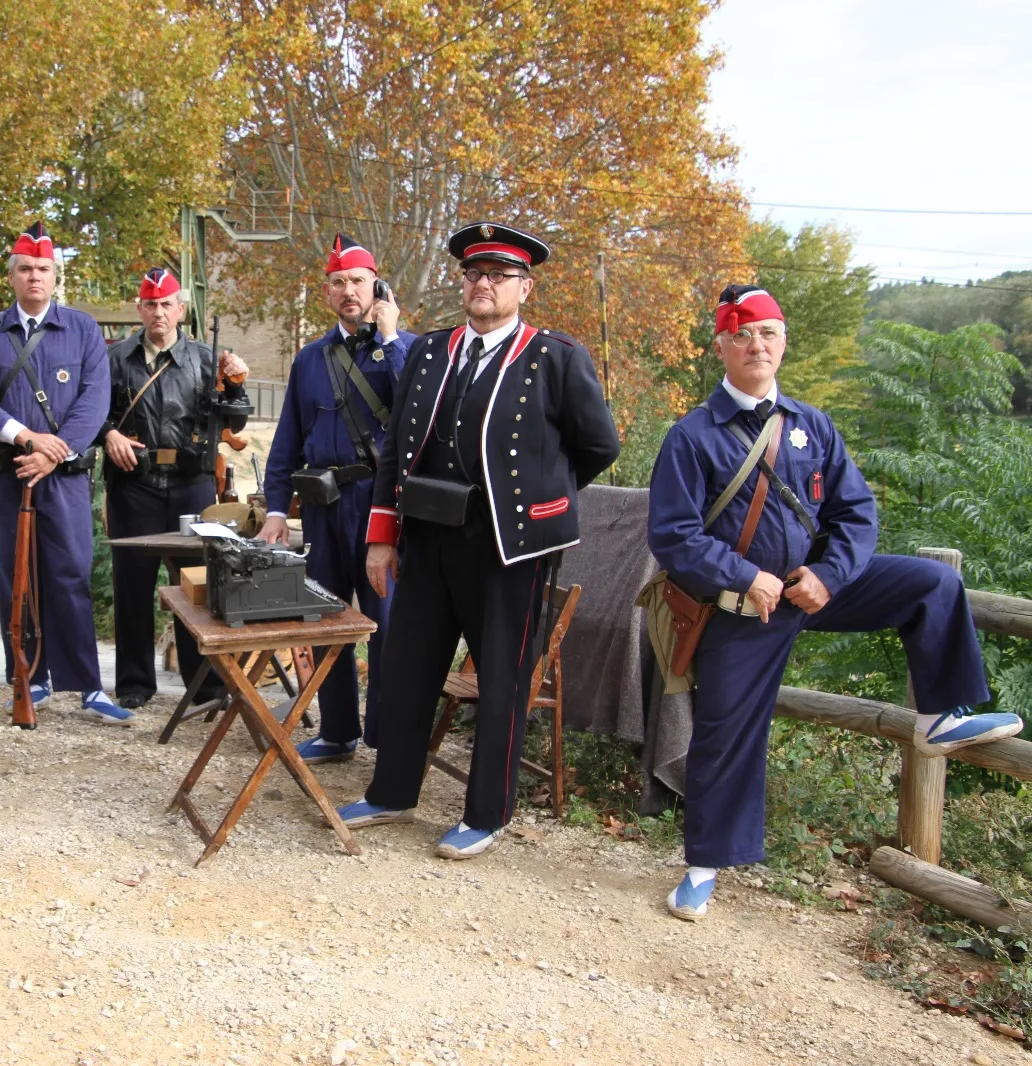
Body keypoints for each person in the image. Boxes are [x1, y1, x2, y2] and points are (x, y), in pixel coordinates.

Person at [647, 284, 1024, 920]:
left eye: (766, 332)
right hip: (743, 607)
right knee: (724, 736)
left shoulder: (811, 425)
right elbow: (673, 535)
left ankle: (939, 714)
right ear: (721, 346)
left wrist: (829, 573)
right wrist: (745, 577)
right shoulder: (693, 435)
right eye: (741, 335)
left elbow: (855, 512)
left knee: (933, 584)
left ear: (783, 341)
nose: (755, 345)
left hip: (812, 591)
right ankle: (704, 864)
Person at [340, 222, 621, 859]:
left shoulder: (555, 356)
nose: (483, 284)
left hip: (508, 547)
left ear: (524, 286)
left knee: (501, 680)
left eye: (498, 275)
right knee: (408, 668)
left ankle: (487, 813)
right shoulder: (431, 351)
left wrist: (542, 496)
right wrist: (381, 538)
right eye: (473, 273)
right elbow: (396, 453)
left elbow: (599, 444)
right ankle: (391, 792)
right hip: (428, 539)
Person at [257, 234, 413, 762]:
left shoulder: (407, 352)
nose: (350, 291)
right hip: (324, 505)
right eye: (339, 282)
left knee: (386, 623)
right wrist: (276, 509)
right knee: (325, 619)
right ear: (327, 291)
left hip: (381, 506)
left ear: (378, 285)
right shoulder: (309, 360)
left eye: (359, 281)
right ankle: (339, 730)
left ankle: (389, 734)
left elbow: (416, 416)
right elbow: (286, 441)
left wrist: (390, 339)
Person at [0, 222, 122, 723]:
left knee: (70, 573)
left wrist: (54, 453)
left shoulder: (82, 329)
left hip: (64, 476)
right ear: (11, 277)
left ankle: (88, 685)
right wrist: (26, 439)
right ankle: (29, 677)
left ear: (56, 277)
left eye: (44, 269)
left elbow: (95, 399)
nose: (35, 276)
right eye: (26, 269)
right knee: (15, 580)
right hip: (5, 472)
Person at [101, 267, 249, 709]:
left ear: (180, 310)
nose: (159, 312)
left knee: (197, 586)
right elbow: (92, 411)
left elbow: (236, 421)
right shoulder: (116, 358)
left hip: (191, 484)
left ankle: (203, 687)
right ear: (140, 308)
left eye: (167, 304)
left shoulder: (207, 359)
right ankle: (133, 684)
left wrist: (237, 383)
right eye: (151, 304)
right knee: (131, 585)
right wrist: (108, 433)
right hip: (135, 484)